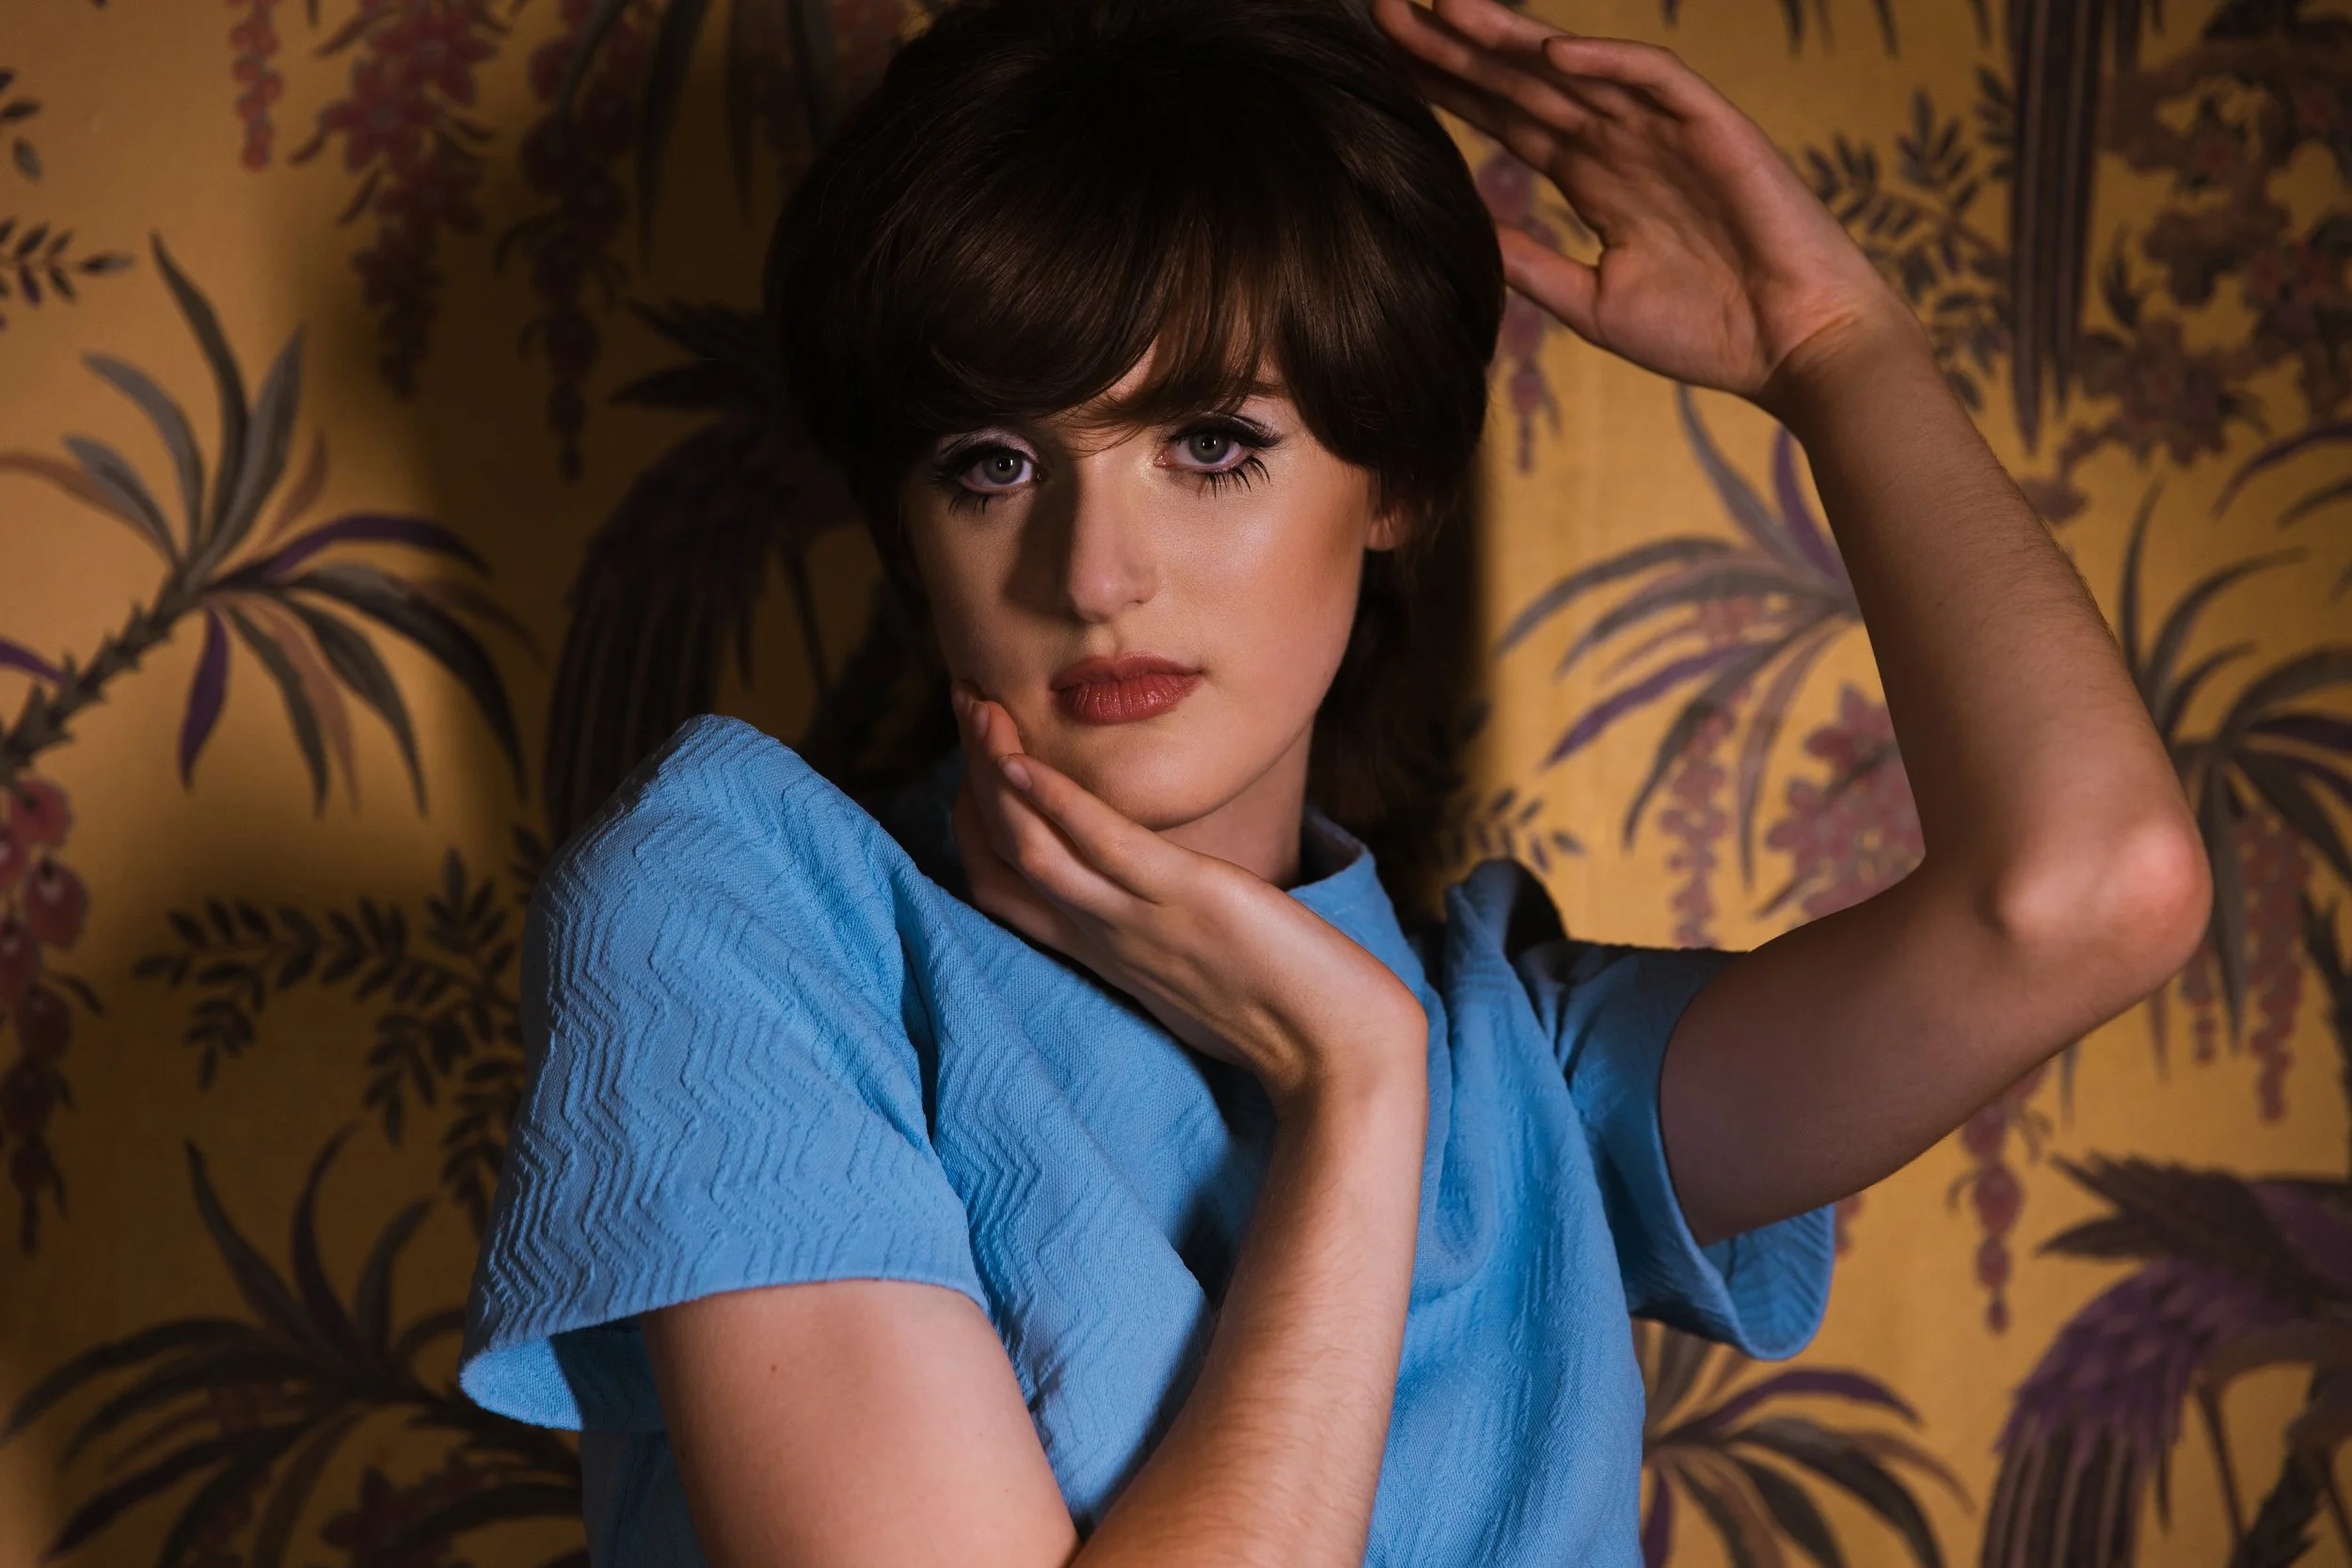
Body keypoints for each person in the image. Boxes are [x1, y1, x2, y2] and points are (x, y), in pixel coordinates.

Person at [455, 0, 2212, 1561]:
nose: (1094, 573)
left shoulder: (1530, 1066)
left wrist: (1836, 349)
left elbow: (2091, 893)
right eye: (993, 461)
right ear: (909, 526)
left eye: (1213, 442)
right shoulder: (745, 926)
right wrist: (1356, 1093)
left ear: (1397, 485)